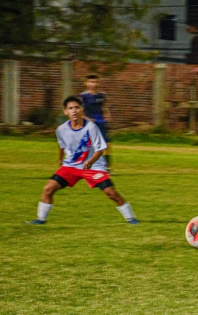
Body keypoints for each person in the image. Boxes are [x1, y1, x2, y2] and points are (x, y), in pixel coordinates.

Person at [24, 96, 138, 225]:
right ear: (65, 112)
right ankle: (40, 219)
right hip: (71, 167)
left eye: (77, 107)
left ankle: (131, 218)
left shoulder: (91, 127)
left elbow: (100, 149)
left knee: (111, 193)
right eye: (70, 108)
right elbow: (61, 145)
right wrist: (60, 159)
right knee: (48, 189)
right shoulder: (61, 130)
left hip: (93, 166)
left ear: (82, 110)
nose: (74, 111)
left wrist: (90, 162)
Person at [79, 74, 113, 172]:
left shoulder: (101, 95)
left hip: (101, 122)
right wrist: (87, 118)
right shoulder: (83, 96)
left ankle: (107, 167)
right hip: (89, 124)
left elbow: (104, 107)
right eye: (91, 82)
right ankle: (84, 165)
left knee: (107, 144)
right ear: (86, 83)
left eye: (95, 82)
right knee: (88, 145)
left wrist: (107, 115)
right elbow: (80, 111)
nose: (93, 84)